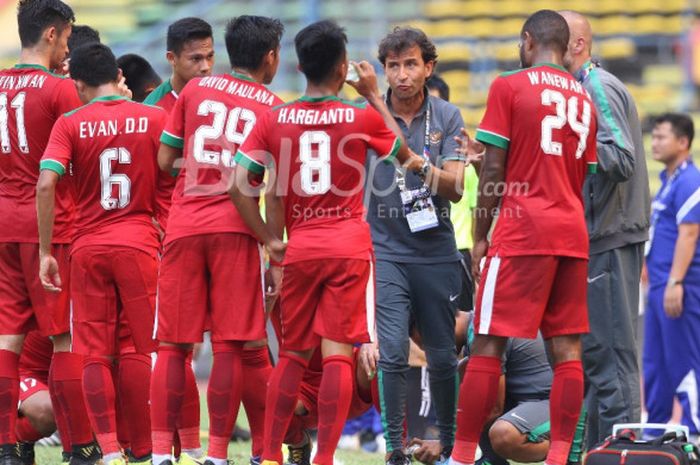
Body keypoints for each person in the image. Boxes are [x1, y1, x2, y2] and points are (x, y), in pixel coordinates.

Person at [229, 19, 426, 465]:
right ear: (343, 69)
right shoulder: (360, 116)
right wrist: (375, 95)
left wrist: (268, 240)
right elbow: (406, 154)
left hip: (300, 247)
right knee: (338, 354)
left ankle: (267, 455)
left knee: (293, 356)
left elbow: (240, 184)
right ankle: (325, 458)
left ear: (299, 66)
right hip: (348, 246)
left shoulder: (273, 118)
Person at [449, 10, 598, 465]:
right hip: (571, 232)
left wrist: (479, 237)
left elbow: (494, 170)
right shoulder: (584, 97)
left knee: (487, 341)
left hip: (522, 230)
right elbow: (582, 174)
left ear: (527, 40)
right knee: (568, 349)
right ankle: (559, 458)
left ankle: (459, 457)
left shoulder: (509, 85)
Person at [150, 15, 284, 465]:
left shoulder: (193, 90)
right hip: (236, 230)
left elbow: (165, 158)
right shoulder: (273, 107)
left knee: (172, 345)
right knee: (230, 345)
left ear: (228, 54)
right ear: (271, 57)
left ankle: (159, 454)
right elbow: (268, 186)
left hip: (184, 225)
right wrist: (272, 244)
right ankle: (217, 454)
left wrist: (194, 170)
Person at [36, 42, 167, 465]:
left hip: (87, 245)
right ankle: (143, 450)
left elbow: (45, 183)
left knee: (94, 350)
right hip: (140, 242)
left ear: (77, 83)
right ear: (119, 76)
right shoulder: (155, 117)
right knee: (138, 350)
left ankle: (107, 450)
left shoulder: (71, 122)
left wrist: (45, 251)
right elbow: (173, 176)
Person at [0, 3, 95, 465]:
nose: (67, 47)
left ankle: (6, 446)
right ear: (53, 34)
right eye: (67, 38)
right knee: (65, 337)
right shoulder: (59, 90)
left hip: (3, 223)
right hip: (50, 226)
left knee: (7, 337)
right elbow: (76, 163)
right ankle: (80, 445)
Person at [367, 27, 466, 465]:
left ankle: (448, 444)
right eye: (393, 66)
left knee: (443, 357)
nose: (402, 75)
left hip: (437, 252)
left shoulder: (447, 116)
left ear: (429, 67)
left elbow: (456, 188)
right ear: (384, 70)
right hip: (386, 250)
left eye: (411, 64)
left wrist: (414, 161)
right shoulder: (366, 112)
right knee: (390, 353)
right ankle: (393, 450)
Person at [560, 11, 651, 446]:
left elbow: (621, 158)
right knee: (597, 360)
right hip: (595, 238)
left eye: (552, 41)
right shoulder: (579, 90)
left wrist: (567, 143)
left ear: (577, 45)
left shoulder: (597, 87)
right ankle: (601, 453)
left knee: (613, 358)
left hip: (610, 236)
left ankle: (625, 452)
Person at [644, 113, 700, 437]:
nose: (654, 142)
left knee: (684, 359)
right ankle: (654, 430)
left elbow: (689, 233)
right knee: (655, 362)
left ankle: (694, 430)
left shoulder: (690, 180)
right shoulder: (668, 182)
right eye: (653, 136)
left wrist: (676, 281)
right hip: (659, 286)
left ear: (683, 142)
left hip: (680, 285)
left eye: (662, 137)